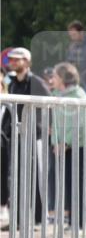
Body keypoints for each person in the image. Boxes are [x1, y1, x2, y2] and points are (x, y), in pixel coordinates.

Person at [3, 48, 51, 226]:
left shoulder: (36, 82)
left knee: (36, 176)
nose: (13, 62)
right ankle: (17, 220)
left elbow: (49, 105)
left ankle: (39, 219)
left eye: (17, 59)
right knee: (14, 177)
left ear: (27, 61)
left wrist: (46, 128)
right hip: (15, 136)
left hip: (34, 135)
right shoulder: (13, 83)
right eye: (12, 60)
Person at [50, 63, 86, 223]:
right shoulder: (56, 94)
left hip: (77, 146)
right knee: (67, 184)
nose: (52, 79)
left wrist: (65, 142)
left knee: (77, 184)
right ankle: (72, 219)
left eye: (55, 76)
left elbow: (79, 122)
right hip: (61, 146)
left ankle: (80, 222)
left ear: (63, 78)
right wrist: (55, 141)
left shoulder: (78, 95)